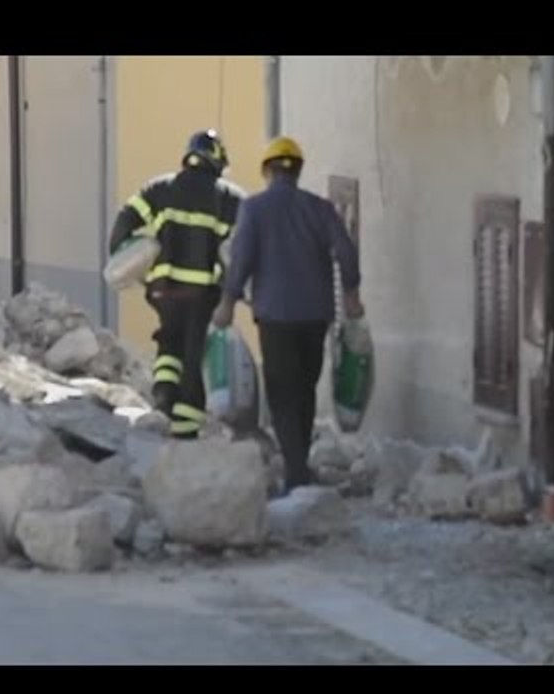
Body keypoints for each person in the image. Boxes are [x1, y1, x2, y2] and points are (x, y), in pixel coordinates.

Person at [213, 136, 364, 489]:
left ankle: (296, 473)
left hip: (276, 316)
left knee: (281, 392)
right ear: (298, 171)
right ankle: (301, 465)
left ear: (267, 171)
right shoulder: (321, 208)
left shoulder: (253, 209)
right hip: (315, 315)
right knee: (305, 388)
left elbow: (242, 261)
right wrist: (352, 294)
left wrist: (227, 302)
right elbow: (346, 251)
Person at [109, 129, 245, 439]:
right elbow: (244, 246)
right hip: (201, 294)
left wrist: (127, 263)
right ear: (218, 161)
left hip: (162, 290)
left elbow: (123, 223)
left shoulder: (159, 188)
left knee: (169, 341)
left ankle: (163, 393)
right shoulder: (228, 197)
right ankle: (185, 431)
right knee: (193, 356)